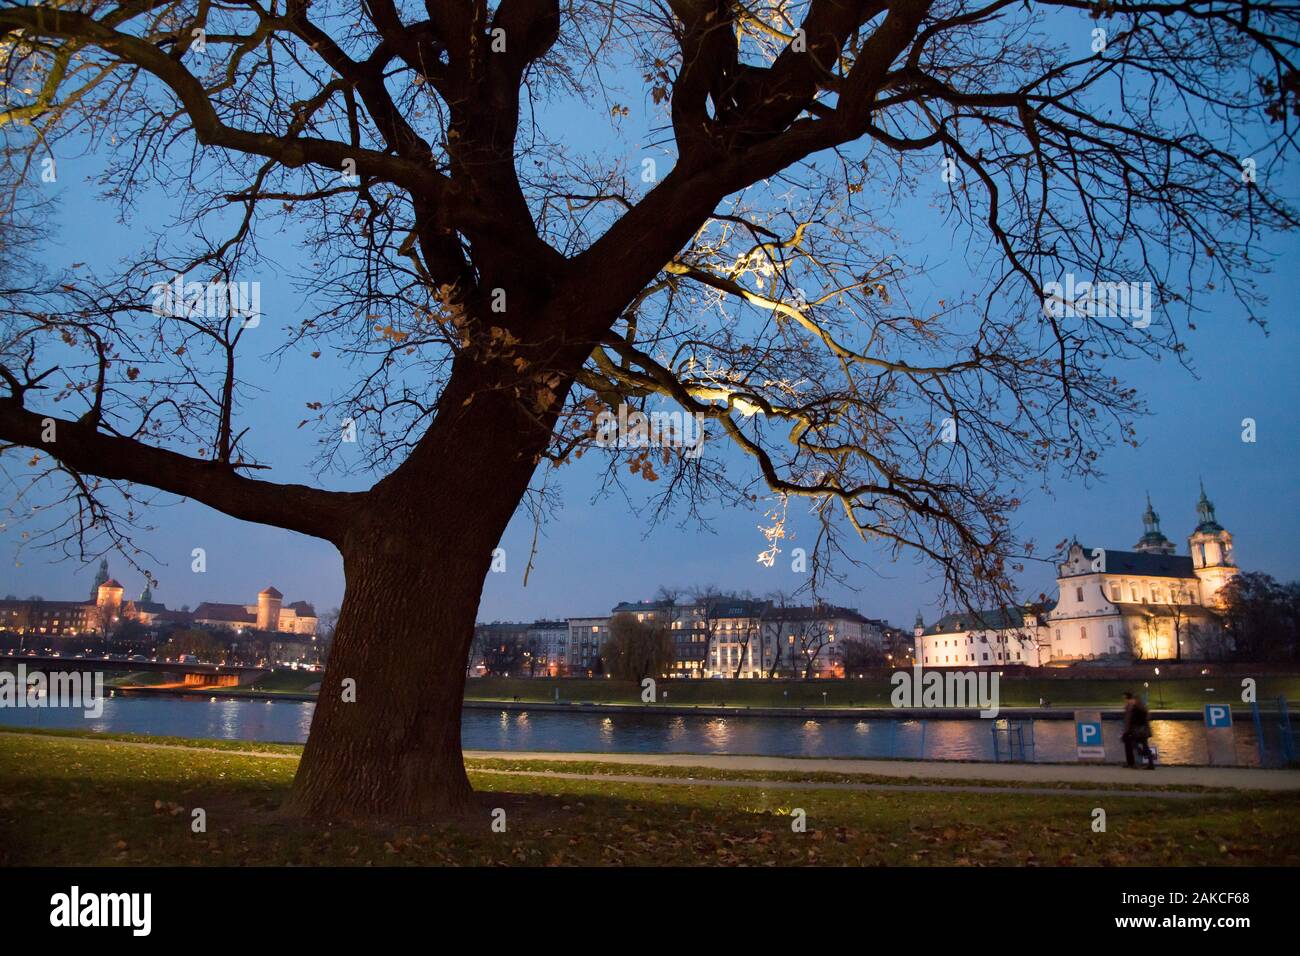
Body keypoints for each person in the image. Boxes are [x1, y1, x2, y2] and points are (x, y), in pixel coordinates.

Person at [1121, 691, 1155, 769]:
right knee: (1143, 745)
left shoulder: (1135, 709)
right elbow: (1147, 719)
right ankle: (1150, 762)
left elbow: (1131, 720)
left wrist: (1128, 730)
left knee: (1134, 744)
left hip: (1138, 730)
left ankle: (1139, 758)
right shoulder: (1143, 708)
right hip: (1144, 730)